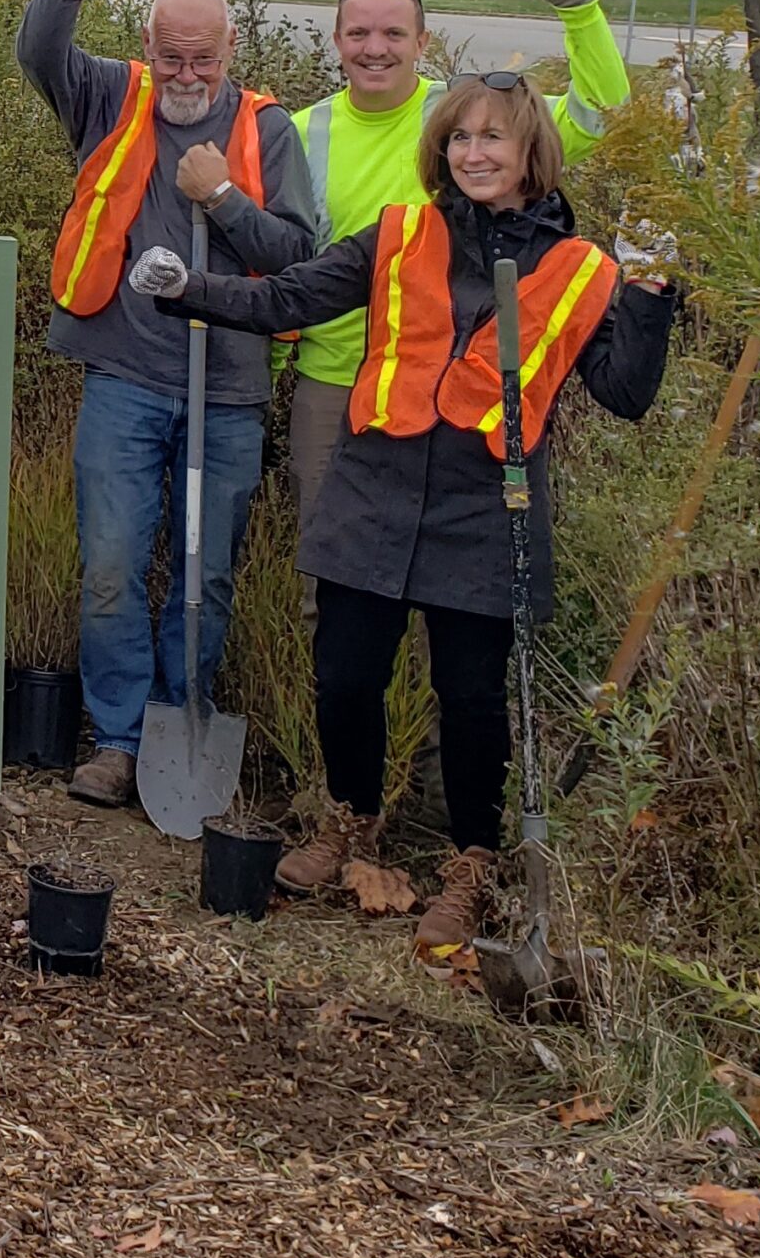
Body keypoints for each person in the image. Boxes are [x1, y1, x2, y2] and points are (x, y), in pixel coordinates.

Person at [130, 74, 674, 946]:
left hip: (488, 504)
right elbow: (289, 299)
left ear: (530, 150)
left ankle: (470, 864)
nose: (474, 154)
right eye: (460, 139)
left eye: (493, 139)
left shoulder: (585, 273)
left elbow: (626, 393)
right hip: (374, 486)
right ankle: (349, 822)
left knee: (471, 700)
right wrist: (182, 287)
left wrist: (650, 298)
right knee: (345, 674)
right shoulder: (401, 233)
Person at [15, 0, 318, 808]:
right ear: (148, 48)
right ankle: (115, 736)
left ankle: (183, 723)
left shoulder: (267, 129)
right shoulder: (111, 96)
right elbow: (38, 52)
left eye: (204, 55)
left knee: (206, 571)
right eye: (170, 52)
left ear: (231, 50)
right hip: (127, 378)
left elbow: (298, 257)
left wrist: (224, 200)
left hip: (226, 390)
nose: (187, 71)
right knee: (110, 561)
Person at [288, 0, 630, 535]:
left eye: (394, 33)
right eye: (359, 33)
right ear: (336, 41)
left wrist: (579, 9)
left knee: (443, 584)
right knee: (332, 575)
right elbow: (281, 265)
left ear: (422, 43)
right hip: (334, 380)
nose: (375, 48)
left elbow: (598, 116)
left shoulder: (467, 120)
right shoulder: (298, 132)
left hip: (451, 386)